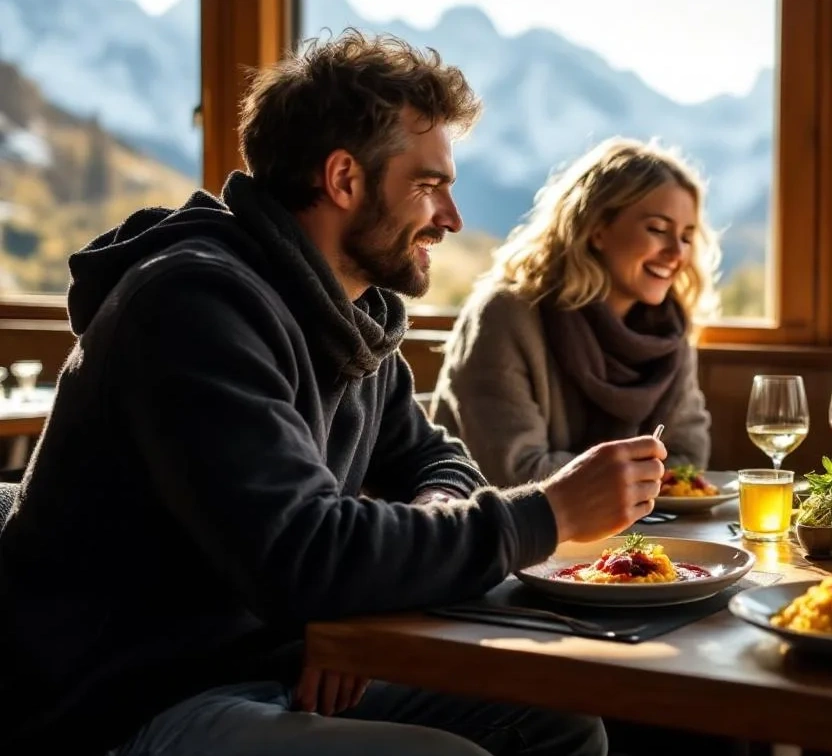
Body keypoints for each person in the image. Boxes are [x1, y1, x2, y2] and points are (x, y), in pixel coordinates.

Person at [0, 31, 667, 756]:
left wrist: (361, 595)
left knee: (559, 721)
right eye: (429, 185)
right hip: (132, 700)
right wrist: (550, 512)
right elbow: (304, 556)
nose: (451, 218)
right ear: (344, 178)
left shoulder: (350, 317)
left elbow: (437, 462)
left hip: (273, 658)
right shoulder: (192, 307)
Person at [430, 137, 718, 487]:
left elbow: (688, 459)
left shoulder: (668, 333)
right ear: (597, 230)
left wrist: (618, 478)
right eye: (657, 229)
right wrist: (640, 473)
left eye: (686, 237)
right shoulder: (505, 316)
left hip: (640, 522)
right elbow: (513, 472)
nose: (677, 253)